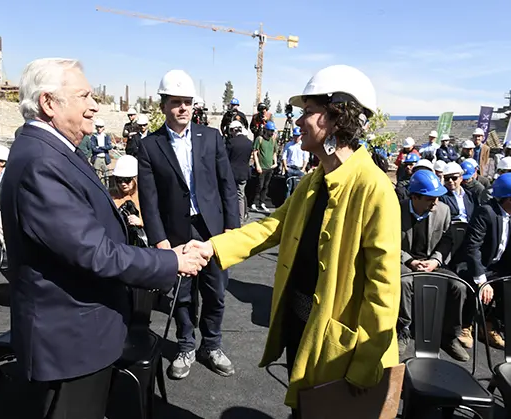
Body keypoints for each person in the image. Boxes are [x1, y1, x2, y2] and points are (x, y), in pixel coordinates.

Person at [184, 65, 401, 416]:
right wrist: (212, 247)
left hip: (341, 349)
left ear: (337, 116)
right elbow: (271, 227)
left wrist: (366, 362)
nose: (299, 122)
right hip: (303, 330)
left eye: (308, 112)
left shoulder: (373, 189)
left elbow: (384, 288)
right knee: (304, 409)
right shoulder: (314, 180)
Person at [0, 58, 208, 419]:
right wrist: (172, 261)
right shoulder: (41, 162)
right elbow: (94, 252)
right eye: (84, 95)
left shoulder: (53, 151)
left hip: (82, 334)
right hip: (70, 342)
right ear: (49, 103)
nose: (95, 105)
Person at [138, 69, 239, 381]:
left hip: (213, 231)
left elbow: (227, 186)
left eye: (187, 102)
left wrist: (233, 232)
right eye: (176, 102)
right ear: (164, 105)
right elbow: (149, 198)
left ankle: (212, 345)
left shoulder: (211, 138)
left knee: (216, 292)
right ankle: (185, 347)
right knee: (182, 295)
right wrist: (159, 241)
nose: (182, 108)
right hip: (177, 233)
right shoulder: (150, 146)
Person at [398, 170, 468, 361]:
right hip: (404, 261)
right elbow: (390, 241)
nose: (435, 202)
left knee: (458, 287)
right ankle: (403, 330)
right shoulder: (397, 210)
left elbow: (447, 240)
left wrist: (435, 260)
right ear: (415, 196)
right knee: (403, 283)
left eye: (436, 197)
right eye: (430, 198)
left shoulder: (443, 210)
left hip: (431, 262)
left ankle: (449, 336)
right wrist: (410, 261)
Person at [453, 173, 511, 350]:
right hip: (472, 265)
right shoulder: (486, 212)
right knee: (475, 285)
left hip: (497, 265)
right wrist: (481, 280)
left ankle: (490, 322)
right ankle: (466, 325)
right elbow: (472, 248)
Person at [225, 120, 253, 225]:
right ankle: (242, 217)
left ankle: (232, 217)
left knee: (230, 195)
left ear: (233, 130)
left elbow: (226, 158)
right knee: (241, 195)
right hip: (244, 173)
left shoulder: (231, 142)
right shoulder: (249, 143)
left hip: (232, 173)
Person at [250, 121, 278, 212]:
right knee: (259, 185)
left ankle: (262, 202)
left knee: (266, 186)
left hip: (270, 167)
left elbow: (274, 152)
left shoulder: (273, 140)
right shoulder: (259, 139)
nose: (271, 133)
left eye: (272, 131)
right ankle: (254, 202)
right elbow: (255, 152)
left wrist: (275, 162)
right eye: (270, 131)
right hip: (261, 167)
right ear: (265, 130)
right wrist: (257, 165)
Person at [282, 127, 309, 198]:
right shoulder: (289, 145)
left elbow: (306, 158)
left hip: (299, 169)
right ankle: (287, 205)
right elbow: (284, 156)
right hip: (290, 168)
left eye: (298, 136)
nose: (296, 138)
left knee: (299, 188)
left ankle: (297, 206)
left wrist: (303, 169)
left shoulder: (303, 145)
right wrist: (286, 167)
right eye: (295, 136)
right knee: (288, 188)